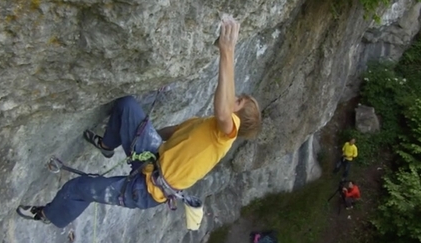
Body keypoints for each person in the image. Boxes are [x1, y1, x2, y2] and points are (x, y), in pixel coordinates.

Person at [16, 17, 262, 229]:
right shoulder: (208, 126)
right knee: (126, 106)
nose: (233, 96)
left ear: (237, 120)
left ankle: (49, 214)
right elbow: (172, 133)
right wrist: (138, 135)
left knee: (79, 188)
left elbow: (222, 110)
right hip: (152, 157)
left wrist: (227, 51)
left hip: (146, 190)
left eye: (237, 100)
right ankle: (106, 144)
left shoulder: (225, 135)